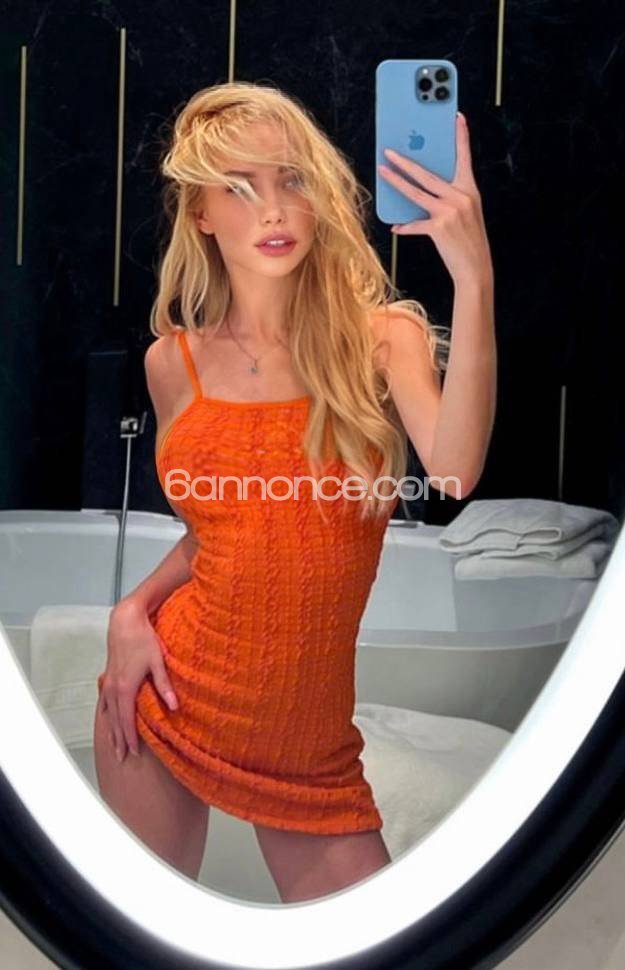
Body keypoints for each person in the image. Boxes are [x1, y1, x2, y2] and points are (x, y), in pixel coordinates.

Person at [94, 81, 494, 903]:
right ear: (201, 213)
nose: (273, 209)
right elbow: (217, 532)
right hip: (167, 698)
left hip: (308, 752)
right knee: (141, 939)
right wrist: (130, 613)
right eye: (239, 188)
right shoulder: (174, 362)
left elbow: (454, 471)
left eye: (291, 180)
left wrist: (473, 274)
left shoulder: (382, 339)